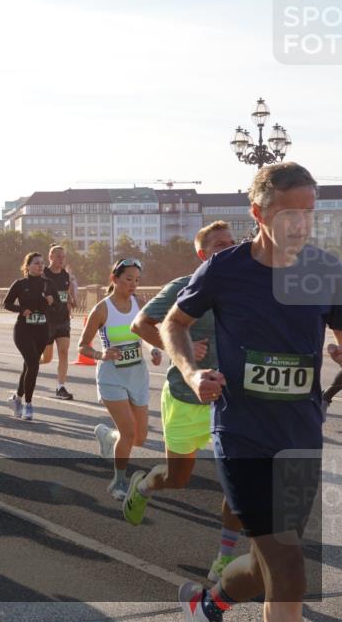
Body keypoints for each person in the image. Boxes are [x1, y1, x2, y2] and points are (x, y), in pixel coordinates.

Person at [161, 163, 342, 622]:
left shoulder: (324, 271)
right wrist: (191, 371)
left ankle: (207, 605)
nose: (301, 224)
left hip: (299, 435)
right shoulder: (225, 269)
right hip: (243, 434)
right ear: (258, 214)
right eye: (289, 214)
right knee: (289, 568)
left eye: (309, 213)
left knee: (269, 567)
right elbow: (173, 324)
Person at [127, 221, 242, 582]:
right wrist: (183, 351)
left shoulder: (248, 289)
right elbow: (141, 325)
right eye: (219, 245)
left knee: (237, 481)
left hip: (229, 400)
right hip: (183, 397)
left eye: (231, 243)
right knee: (178, 478)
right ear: (202, 253)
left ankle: (224, 557)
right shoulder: (184, 286)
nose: (227, 248)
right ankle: (143, 485)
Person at [80, 259, 162, 500]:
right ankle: (118, 481)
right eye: (128, 279)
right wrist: (100, 354)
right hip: (111, 377)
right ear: (114, 279)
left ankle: (109, 437)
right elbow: (82, 346)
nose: (133, 284)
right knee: (128, 433)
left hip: (137, 375)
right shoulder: (102, 309)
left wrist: (153, 349)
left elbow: (146, 335)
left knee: (140, 437)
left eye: (137, 280)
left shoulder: (140, 303)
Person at [4, 253, 59, 420]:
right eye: (36, 263)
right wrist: (21, 310)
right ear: (27, 266)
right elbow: (6, 303)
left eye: (42, 263)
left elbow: (58, 306)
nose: (40, 266)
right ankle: (28, 404)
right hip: (23, 330)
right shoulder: (20, 284)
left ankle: (17, 399)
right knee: (33, 364)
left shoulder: (48, 284)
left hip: (42, 330)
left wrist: (52, 302)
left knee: (29, 366)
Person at [41, 245, 78, 400]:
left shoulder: (66, 275)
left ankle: (60, 387)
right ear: (51, 257)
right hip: (47, 321)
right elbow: (37, 293)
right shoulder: (43, 274)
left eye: (63, 257)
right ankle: (31, 363)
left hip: (63, 320)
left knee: (63, 353)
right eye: (58, 257)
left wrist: (71, 300)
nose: (61, 259)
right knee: (47, 358)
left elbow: (67, 294)